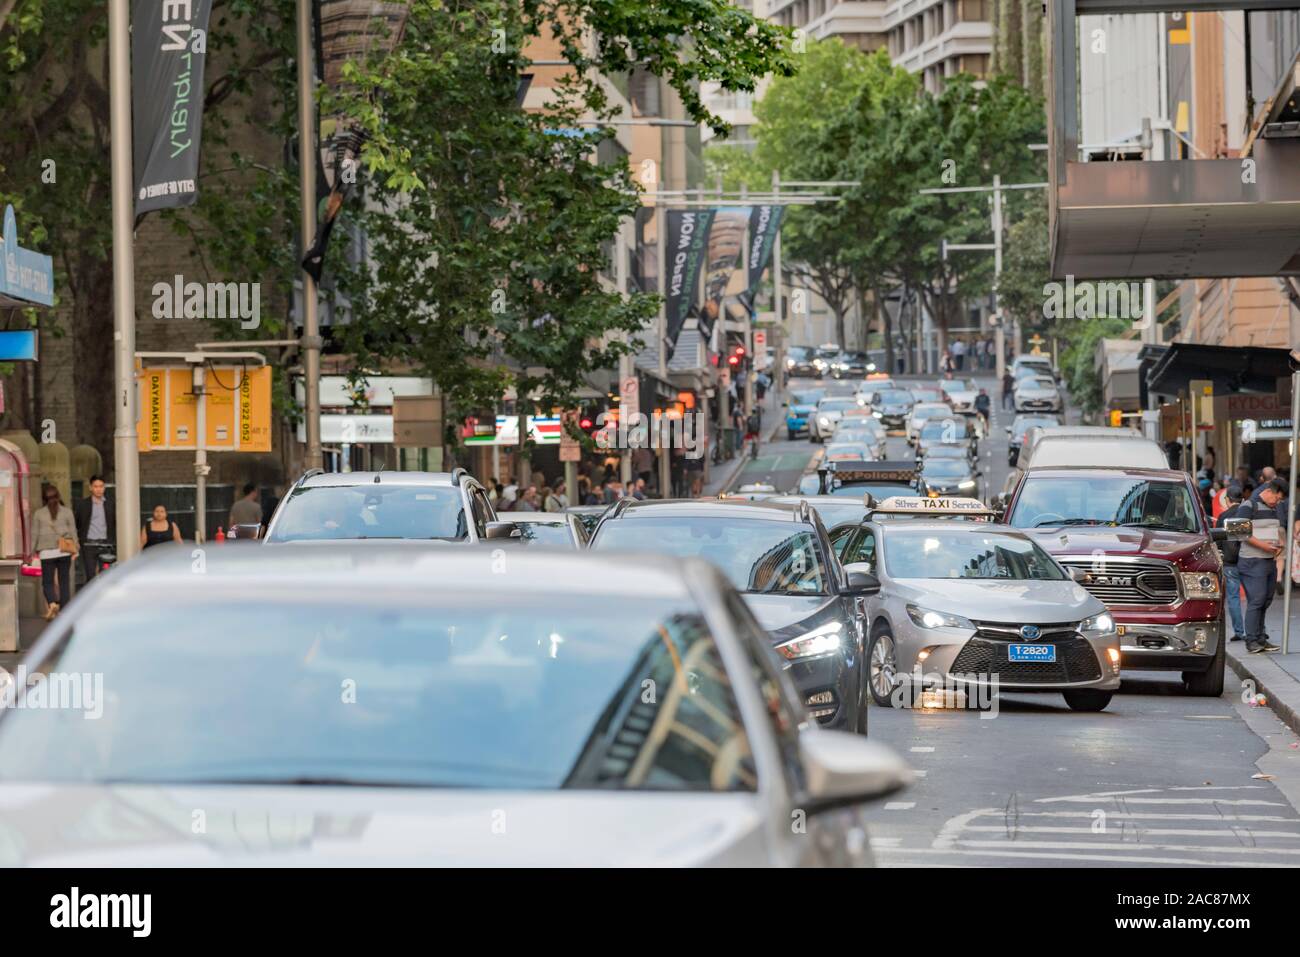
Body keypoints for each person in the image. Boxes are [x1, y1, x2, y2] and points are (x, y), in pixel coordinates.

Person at [1238, 477, 1287, 653]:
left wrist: (1278, 545)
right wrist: (1264, 546)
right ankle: (1251, 640)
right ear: (1268, 492)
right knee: (1257, 600)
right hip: (1252, 561)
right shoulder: (1248, 506)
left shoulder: (1273, 509)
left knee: (1265, 600)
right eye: (1277, 498)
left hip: (1268, 560)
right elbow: (1239, 533)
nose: (1278, 502)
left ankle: (1260, 638)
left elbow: (1273, 531)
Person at [32, 484, 77, 620]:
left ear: (44, 498)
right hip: (64, 551)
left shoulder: (39, 514)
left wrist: (32, 551)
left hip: (46, 553)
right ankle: (63, 611)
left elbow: (35, 534)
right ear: (58, 496)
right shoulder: (67, 512)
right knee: (64, 581)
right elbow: (73, 531)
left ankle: (52, 603)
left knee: (47, 582)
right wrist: (76, 549)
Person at [1216, 485, 1247, 643]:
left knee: (1233, 598)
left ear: (1227, 500)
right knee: (1254, 597)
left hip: (1229, 563)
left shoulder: (1223, 517)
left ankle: (1239, 632)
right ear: (1242, 500)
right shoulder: (1245, 514)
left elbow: (1218, 541)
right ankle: (1256, 630)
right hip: (1248, 561)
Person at [74, 474, 114, 586]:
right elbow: (77, 523)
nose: (99, 489)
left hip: (105, 544)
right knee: (90, 576)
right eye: (96, 486)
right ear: (90, 487)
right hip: (88, 544)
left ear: (104, 487)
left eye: (101, 486)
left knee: (106, 575)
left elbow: (114, 523)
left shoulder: (110, 503)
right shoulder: (83, 504)